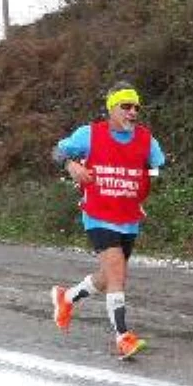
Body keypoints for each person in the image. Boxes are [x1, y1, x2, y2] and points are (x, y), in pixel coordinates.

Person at [49, 81, 166, 359]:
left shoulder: (147, 140)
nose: (132, 112)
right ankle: (123, 337)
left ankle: (66, 298)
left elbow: (158, 167)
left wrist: (143, 183)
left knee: (109, 277)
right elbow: (57, 152)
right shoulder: (89, 135)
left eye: (136, 107)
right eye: (126, 106)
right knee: (118, 273)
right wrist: (71, 165)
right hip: (98, 214)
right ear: (111, 108)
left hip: (128, 217)